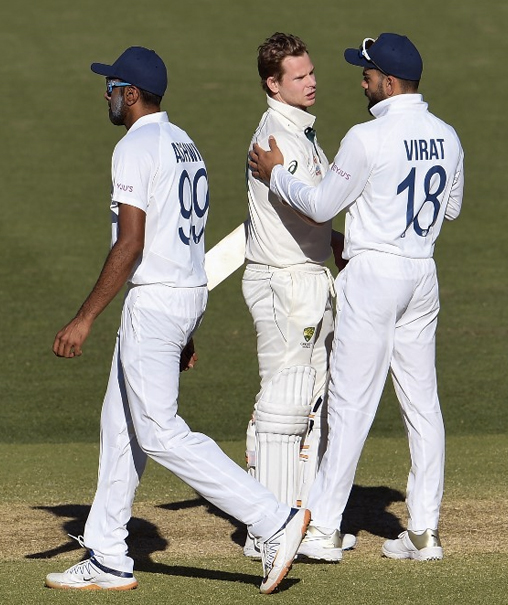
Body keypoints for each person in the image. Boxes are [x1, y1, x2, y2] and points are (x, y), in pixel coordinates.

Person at [46, 46, 309, 594]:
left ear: (131, 94)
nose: (106, 95)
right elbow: (183, 239)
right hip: (185, 293)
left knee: (159, 432)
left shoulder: (134, 147)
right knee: (121, 427)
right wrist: (186, 328)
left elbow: (131, 243)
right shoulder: (184, 143)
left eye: (112, 87)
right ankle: (107, 554)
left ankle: (273, 518)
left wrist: (84, 318)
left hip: (157, 300)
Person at [248, 32, 464, 562]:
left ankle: (323, 528)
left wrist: (276, 174)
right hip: (422, 272)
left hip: (373, 276)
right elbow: (452, 207)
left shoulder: (367, 137)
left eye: (367, 76)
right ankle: (424, 531)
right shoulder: (447, 135)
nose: (361, 83)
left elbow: (321, 206)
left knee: (349, 404)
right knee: (423, 404)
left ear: (388, 83)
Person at [239, 31, 354, 559]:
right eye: (299, 76)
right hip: (284, 281)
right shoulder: (275, 139)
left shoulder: (301, 132)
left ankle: (297, 522)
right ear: (273, 83)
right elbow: (311, 204)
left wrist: (333, 241)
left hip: (306, 275)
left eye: (311, 72)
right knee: (282, 407)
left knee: (309, 404)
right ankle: (269, 530)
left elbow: (308, 213)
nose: (311, 82)